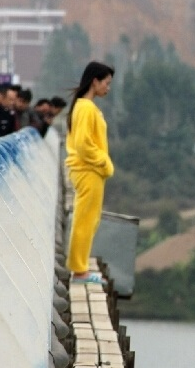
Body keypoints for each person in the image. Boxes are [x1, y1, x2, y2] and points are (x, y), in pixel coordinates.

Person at [65, 61, 115, 285]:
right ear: (95, 82)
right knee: (85, 220)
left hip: (89, 171)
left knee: (89, 219)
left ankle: (80, 266)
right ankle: (79, 270)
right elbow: (83, 144)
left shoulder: (84, 106)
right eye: (106, 83)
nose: (108, 87)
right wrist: (104, 162)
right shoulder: (86, 107)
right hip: (88, 170)